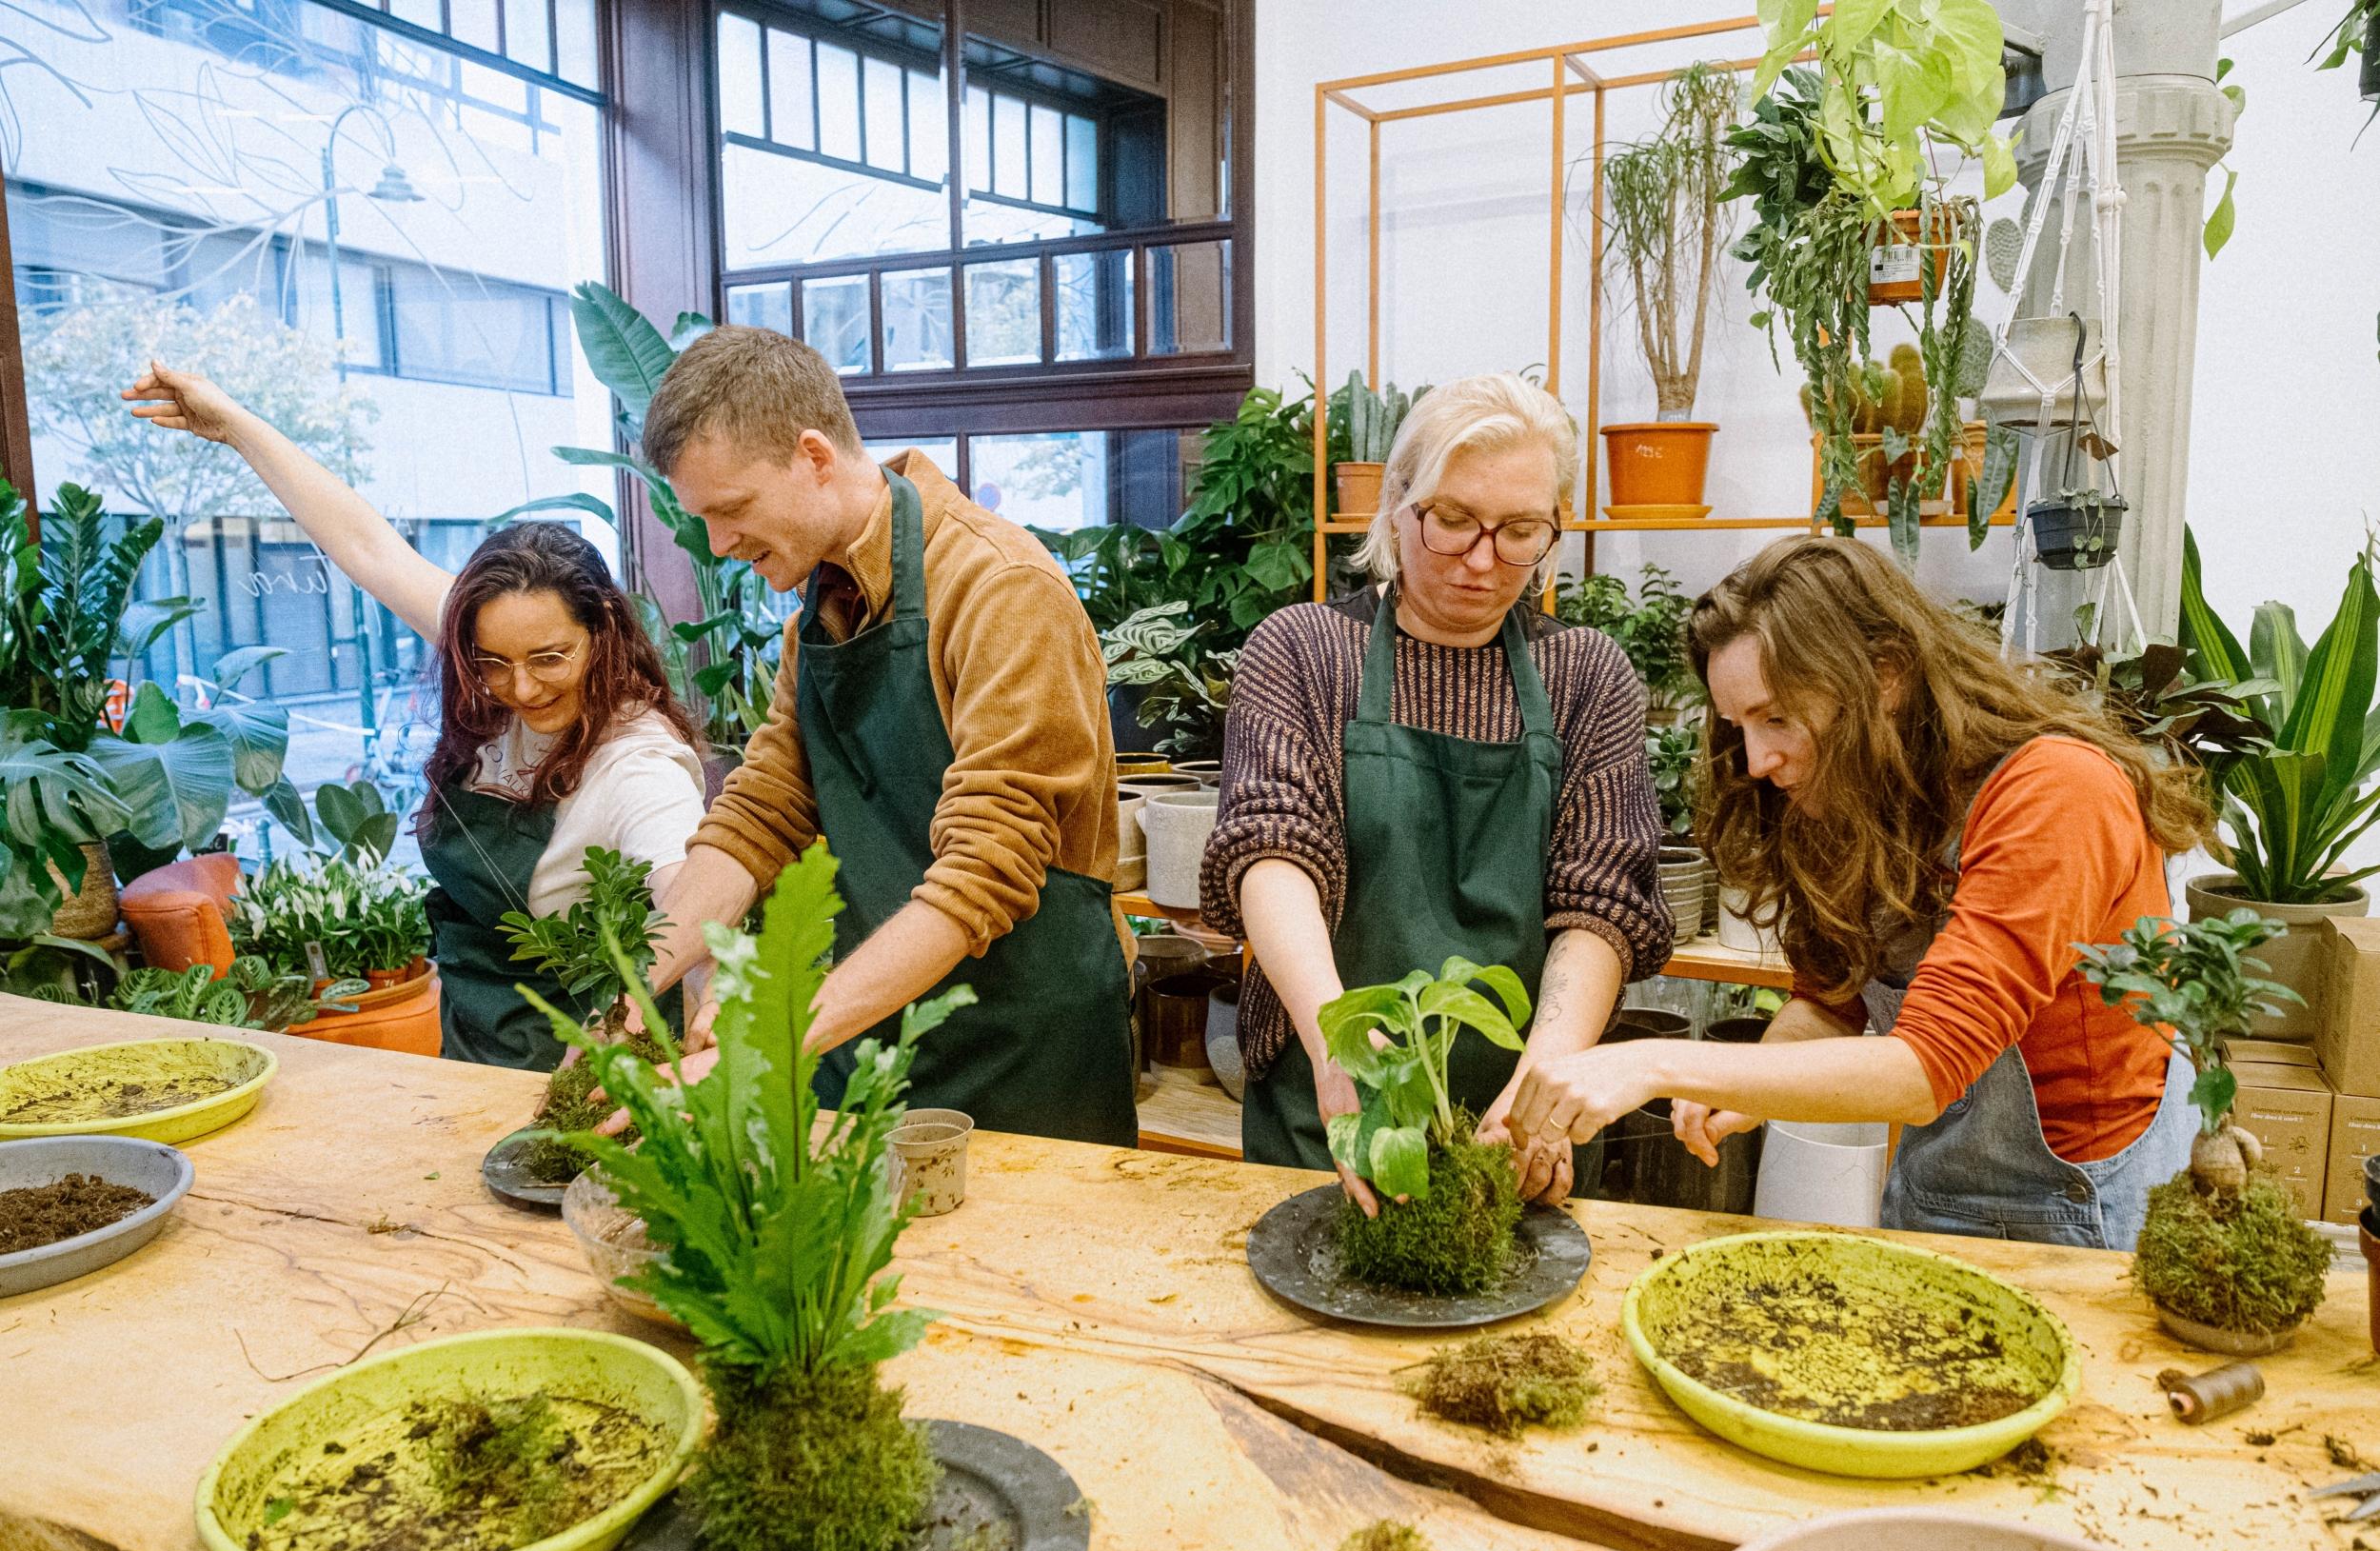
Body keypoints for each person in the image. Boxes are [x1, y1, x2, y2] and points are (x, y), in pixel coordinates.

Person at [1509, 536, 2212, 1250]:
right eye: (1738, 726)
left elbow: (1925, 1067)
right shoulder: (1851, 798)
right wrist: (1744, 1082)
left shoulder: (2057, 792)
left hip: (2085, 1218)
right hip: (1932, 1198)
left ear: (1885, 676)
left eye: (1777, 717)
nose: (1756, 761)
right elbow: (1829, 1003)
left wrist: (1653, 1062)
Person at [121, 363, 706, 1071]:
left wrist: (704, 1037)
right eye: (493, 660)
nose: (517, 687)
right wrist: (233, 425)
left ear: (602, 632)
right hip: (468, 1048)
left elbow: (689, 899)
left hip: (586, 1070)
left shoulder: (638, 763)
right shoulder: (500, 644)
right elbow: (367, 548)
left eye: (550, 658)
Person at [631, 326, 1136, 1145]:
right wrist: (635, 980)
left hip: (1022, 1059)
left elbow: (983, 871)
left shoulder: (1001, 590)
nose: (720, 546)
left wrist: (767, 1036)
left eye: (731, 511)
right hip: (868, 1043)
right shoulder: (814, 620)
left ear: (813, 455)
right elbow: (763, 814)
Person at [1200, 372, 1672, 1209]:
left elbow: (1602, 906)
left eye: (1521, 530)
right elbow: (1270, 850)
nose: (1483, 560)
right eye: (1452, 520)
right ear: (1394, 507)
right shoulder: (1305, 653)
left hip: (1516, 1123)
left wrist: (1545, 1087)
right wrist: (1339, 1042)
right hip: (1331, 1103)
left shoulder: (1587, 676)